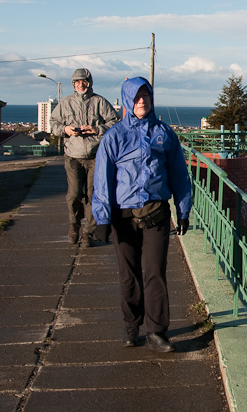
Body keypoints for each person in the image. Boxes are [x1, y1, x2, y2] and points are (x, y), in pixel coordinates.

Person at [92, 77, 192, 352]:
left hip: (156, 213)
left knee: (155, 272)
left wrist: (183, 210)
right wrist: (102, 218)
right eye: (136, 97)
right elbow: (102, 180)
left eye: (145, 96)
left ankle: (156, 331)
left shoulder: (164, 133)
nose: (141, 101)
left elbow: (179, 175)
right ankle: (131, 326)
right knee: (129, 274)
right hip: (123, 216)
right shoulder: (114, 137)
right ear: (127, 100)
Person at [49, 68, 119, 246]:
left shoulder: (99, 102)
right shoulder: (65, 103)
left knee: (93, 194)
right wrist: (65, 130)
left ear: (90, 83)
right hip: (73, 156)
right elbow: (53, 124)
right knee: (74, 194)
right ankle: (74, 225)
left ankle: (88, 232)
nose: (81, 85)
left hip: (96, 156)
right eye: (77, 82)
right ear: (73, 84)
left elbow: (115, 122)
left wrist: (97, 129)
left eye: (84, 81)